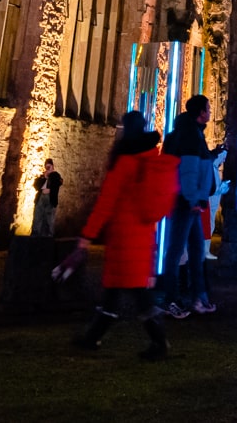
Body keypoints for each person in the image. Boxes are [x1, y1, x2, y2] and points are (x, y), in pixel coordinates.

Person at [70, 111, 179, 360]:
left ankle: (159, 343)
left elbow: (106, 203)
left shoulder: (125, 162)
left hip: (124, 236)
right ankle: (93, 337)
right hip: (142, 236)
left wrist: (87, 235)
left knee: (136, 295)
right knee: (117, 292)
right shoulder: (150, 158)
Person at [160, 95, 222, 317]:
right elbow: (188, 169)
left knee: (196, 251)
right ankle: (171, 299)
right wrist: (192, 198)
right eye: (207, 108)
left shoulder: (190, 134)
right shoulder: (190, 136)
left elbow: (198, 164)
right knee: (176, 251)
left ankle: (199, 297)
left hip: (190, 201)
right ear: (200, 113)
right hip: (185, 202)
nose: (210, 111)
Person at [32, 158, 63, 238]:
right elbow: (36, 185)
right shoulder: (42, 176)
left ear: (52, 166)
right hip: (41, 199)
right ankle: (36, 236)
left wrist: (50, 175)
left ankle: (49, 237)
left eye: (49, 166)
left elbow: (57, 183)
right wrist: (45, 177)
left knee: (49, 219)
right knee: (38, 217)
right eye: (46, 167)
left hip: (50, 200)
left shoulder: (56, 176)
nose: (48, 168)